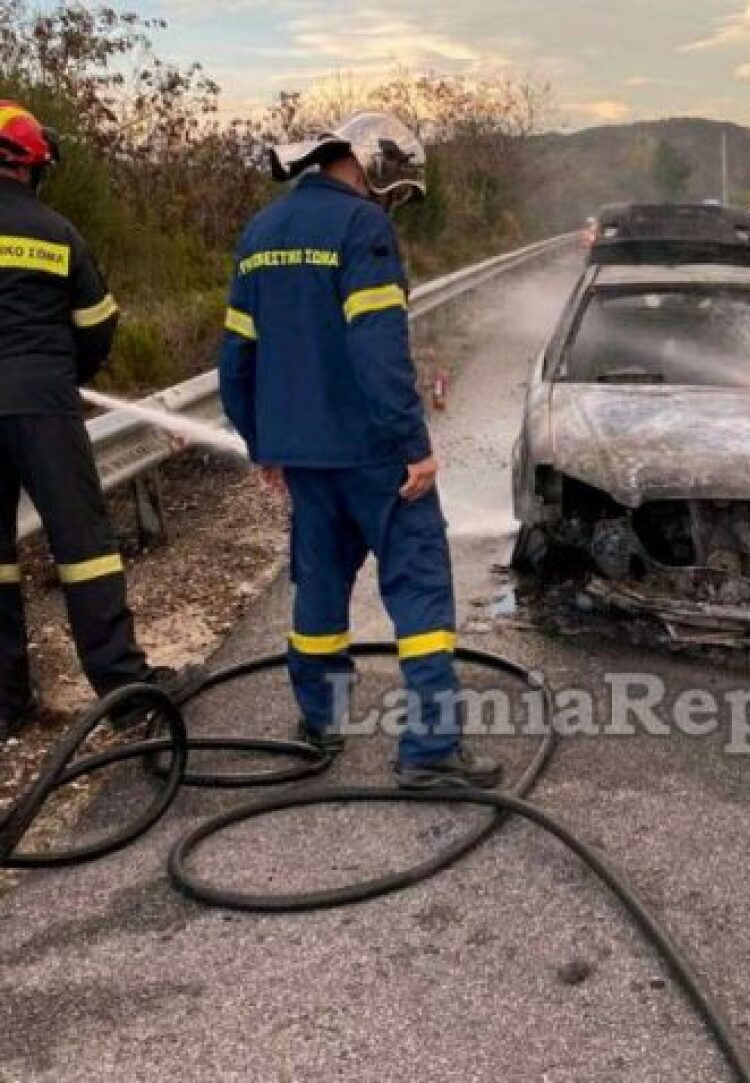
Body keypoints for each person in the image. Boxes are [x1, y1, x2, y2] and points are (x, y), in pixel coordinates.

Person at [218, 112, 501, 788]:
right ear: (370, 163)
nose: (392, 203)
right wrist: (414, 446)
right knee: (420, 588)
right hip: (375, 453)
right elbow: (379, 350)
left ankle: (321, 722)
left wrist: (263, 443)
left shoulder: (261, 233)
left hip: (303, 457)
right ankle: (429, 752)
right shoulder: (362, 228)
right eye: (394, 186)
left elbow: (237, 357)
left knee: (319, 587)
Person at [0, 101, 194, 738]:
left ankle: (8, 701)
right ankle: (127, 692)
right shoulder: (57, 232)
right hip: (44, 404)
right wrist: (63, 375)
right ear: (34, 164)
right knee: (83, 549)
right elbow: (98, 323)